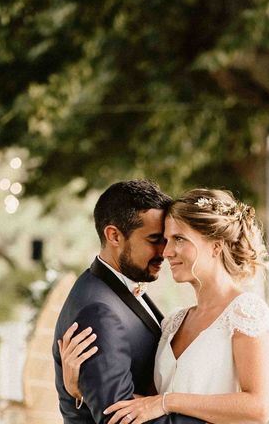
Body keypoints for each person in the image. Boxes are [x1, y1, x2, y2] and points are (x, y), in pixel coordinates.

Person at [58, 188, 269, 424]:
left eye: (178, 239)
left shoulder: (245, 312)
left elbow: (259, 407)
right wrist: (83, 389)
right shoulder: (174, 322)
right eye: (163, 240)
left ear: (216, 245)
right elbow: (137, 407)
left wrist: (168, 401)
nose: (167, 251)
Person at [53, 180, 204, 424]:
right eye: (155, 239)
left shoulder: (118, 287)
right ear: (114, 235)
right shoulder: (98, 312)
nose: (165, 251)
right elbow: (120, 417)